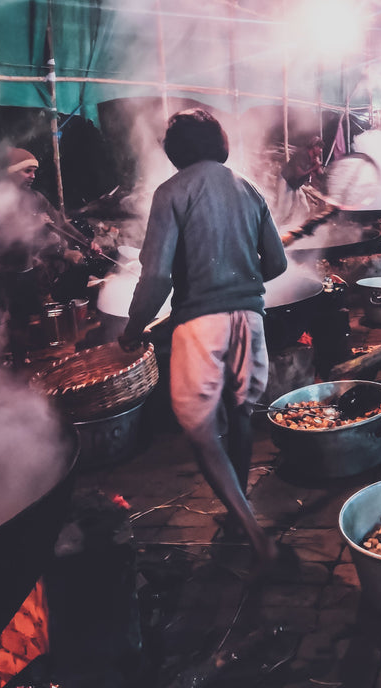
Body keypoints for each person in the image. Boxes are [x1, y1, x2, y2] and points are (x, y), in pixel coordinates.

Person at [118, 108, 289, 575]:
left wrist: (133, 330)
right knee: (240, 412)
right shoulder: (248, 189)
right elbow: (276, 264)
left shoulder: (171, 192)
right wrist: (243, 271)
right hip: (250, 319)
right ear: (219, 142)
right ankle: (241, 510)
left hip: (200, 323)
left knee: (198, 430)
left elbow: (155, 278)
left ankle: (254, 534)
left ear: (174, 151)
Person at [0, 147, 96, 366]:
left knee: (20, 321)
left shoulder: (35, 198)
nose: (32, 176)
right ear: (11, 172)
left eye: (34, 171)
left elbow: (61, 223)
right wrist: (31, 225)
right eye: (27, 171)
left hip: (22, 269)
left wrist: (87, 243)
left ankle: (20, 367)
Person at [275, 135, 324, 227]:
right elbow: (299, 174)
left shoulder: (313, 158)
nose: (321, 151)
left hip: (295, 185)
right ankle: (276, 228)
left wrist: (317, 166)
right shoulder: (302, 154)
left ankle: (294, 227)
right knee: (283, 211)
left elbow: (318, 174)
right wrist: (314, 167)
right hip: (286, 182)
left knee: (304, 209)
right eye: (319, 148)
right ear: (314, 147)